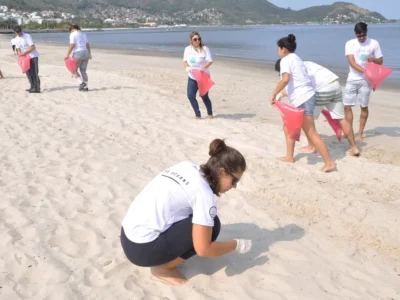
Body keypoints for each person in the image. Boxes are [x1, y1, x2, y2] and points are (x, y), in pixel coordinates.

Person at [120, 139, 252, 285]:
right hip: (140, 250)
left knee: (199, 219)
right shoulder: (204, 195)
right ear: (222, 172)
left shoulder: (186, 166)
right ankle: (163, 269)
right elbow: (204, 250)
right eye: (234, 181)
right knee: (213, 225)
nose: (234, 187)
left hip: (126, 234)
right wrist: (236, 245)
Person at [270, 34, 336, 172]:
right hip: (306, 97)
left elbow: (285, 79)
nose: (278, 52)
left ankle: (329, 162)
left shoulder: (286, 60)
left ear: (283, 49)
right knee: (288, 126)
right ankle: (289, 156)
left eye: (278, 49)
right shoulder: (297, 59)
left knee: (311, 132)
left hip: (303, 99)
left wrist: (274, 92)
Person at [274, 59, 360, 156]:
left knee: (306, 119)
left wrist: (280, 94)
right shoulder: (304, 63)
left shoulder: (292, 73)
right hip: (334, 84)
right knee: (341, 118)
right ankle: (354, 147)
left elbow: (296, 91)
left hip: (322, 90)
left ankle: (311, 146)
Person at [344, 22, 383, 141]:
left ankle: (360, 133)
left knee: (364, 106)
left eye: (363, 35)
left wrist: (373, 59)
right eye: (359, 35)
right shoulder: (350, 43)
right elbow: (352, 62)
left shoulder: (374, 43)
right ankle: (349, 131)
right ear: (355, 34)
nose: (361, 38)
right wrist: (365, 71)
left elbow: (380, 61)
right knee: (347, 106)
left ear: (366, 33)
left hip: (366, 81)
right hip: (352, 78)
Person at [183, 31, 213, 119]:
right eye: (195, 39)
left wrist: (204, 67)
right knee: (190, 96)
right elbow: (185, 61)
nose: (197, 41)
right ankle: (197, 114)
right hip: (192, 77)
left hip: (203, 76)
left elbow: (209, 61)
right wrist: (187, 67)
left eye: (199, 39)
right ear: (191, 40)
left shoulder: (205, 49)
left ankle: (210, 114)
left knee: (204, 96)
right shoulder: (187, 49)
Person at [65, 24, 92, 92]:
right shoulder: (83, 34)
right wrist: (89, 54)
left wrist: (67, 55)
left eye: (70, 31)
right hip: (85, 53)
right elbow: (87, 45)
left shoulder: (73, 34)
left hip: (78, 53)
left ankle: (81, 83)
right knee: (83, 71)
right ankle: (86, 87)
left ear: (72, 29)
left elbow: (72, 45)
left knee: (73, 70)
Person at [14, 25, 41, 93]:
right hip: (25, 58)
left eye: (20, 31)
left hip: (32, 56)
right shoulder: (16, 39)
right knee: (28, 73)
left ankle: (37, 88)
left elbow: (32, 47)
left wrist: (24, 52)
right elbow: (18, 48)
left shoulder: (27, 36)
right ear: (15, 32)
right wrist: (19, 53)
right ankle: (32, 86)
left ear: (21, 30)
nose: (19, 33)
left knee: (34, 72)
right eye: (17, 32)